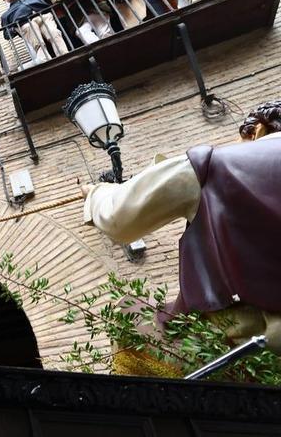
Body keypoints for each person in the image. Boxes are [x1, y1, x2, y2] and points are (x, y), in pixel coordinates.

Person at [81, 101, 281, 353]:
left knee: (130, 318)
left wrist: (97, 192)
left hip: (254, 345)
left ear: (259, 131)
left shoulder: (214, 164)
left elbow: (118, 217)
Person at [0, 0, 70, 63]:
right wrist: (14, 28)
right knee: (35, 37)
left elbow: (47, 8)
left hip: (43, 17)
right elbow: (6, 34)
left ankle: (64, 56)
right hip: (26, 24)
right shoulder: (5, 15)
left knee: (54, 33)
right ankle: (45, 61)